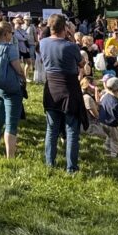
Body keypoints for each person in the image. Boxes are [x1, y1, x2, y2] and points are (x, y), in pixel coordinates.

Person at [37, 14, 85, 173]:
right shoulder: (71, 46)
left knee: (51, 129)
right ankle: (71, 168)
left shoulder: (43, 43)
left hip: (51, 88)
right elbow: (82, 63)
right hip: (69, 89)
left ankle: (49, 163)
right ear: (64, 27)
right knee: (71, 130)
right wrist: (72, 39)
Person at [0, 21, 25, 158]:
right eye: (11, 33)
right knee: (11, 122)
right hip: (10, 87)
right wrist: (23, 77)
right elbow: (18, 68)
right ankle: (10, 156)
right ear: (6, 34)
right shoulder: (9, 48)